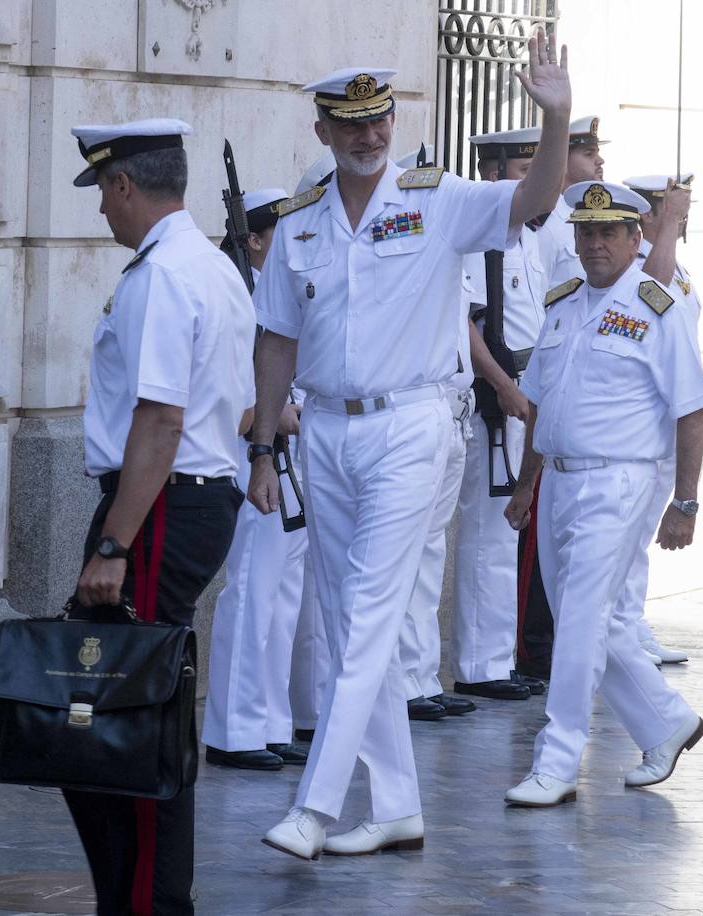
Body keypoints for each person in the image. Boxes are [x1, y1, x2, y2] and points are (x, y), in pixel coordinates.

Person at [248, 36, 572, 859]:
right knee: (345, 622)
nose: (369, 136)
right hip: (322, 429)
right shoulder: (297, 226)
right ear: (323, 130)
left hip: (413, 425)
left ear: (393, 121)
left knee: (365, 622)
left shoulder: (436, 199)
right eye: (351, 124)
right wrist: (261, 445)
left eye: (380, 119)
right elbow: (276, 342)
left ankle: (316, 808)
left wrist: (556, 117)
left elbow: (532, 198)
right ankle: (395, 804)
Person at [67, 118, 253, 914]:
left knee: (121, 718)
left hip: (156, 509)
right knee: (111, 712)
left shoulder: (163, 275)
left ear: (124, 185)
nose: (103, 214)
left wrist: (114, 543)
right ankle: (136, 898)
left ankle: (144, 903)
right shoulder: (209, 266)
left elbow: (160, 420)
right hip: (179, 502)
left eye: (104, 195)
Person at [501, 179, 703, 807]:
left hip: (620, 480)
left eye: (608, 232)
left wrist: (686, 500)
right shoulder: (563, 302)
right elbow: (541, 404)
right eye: (586, 232)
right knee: (586, 620)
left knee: (581, 622)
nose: (595, 244)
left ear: (634, 237)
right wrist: (525, 484)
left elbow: (693, 407)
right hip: (561, 481)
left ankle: (558, 760)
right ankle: (664, 720)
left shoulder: (657, 305)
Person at [202, 188, 315, 771]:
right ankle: (233, 730)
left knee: (281, 598)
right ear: (253, 239)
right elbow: (219, 396)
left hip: (284, 458)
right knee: (250, 594)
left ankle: (269, 721)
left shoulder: (273, 298)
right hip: (250, 459)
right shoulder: (233, 297)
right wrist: (266, 422)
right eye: (282, 234)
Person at [452, 126, 547, 702]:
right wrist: (501, 386)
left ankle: (498, 656)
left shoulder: (528, 239)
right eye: (520, 172)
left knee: (506, 531)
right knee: (485, 533)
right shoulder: (478, 240)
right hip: (495, 401)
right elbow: (466, 324)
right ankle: (477, 664)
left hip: (524, 397)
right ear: (492, 175)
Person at [514, 115, 608, 683]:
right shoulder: (549, 231)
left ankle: (557, 654)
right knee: (540, 563)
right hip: (547, 401)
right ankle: (536, 648)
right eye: (586, 151)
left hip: (598, 436)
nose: (596, 161)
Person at [391, 147, 483, 721]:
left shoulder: (450, 246)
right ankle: (401, 681)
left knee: (429, 552)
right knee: (402, 556)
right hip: (415, 409)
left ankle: (421, 676)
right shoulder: (399, 250)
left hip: (452, 408)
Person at [619, 172, 702, 665]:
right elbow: (654, 291)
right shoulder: (643, 266)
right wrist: (668, 226)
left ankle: (632, 623)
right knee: (628, 538)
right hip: (640, 420)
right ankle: (625, 631)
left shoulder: (680, 265)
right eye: (670, 206)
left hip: (669, 413)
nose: (683, 213)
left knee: (641, 535)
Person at [535, 115, 607, 287]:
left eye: (597, 152)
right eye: (589, 153)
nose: (600, 160)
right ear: (562, 161)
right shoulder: (545, 220)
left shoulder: (583, 212)